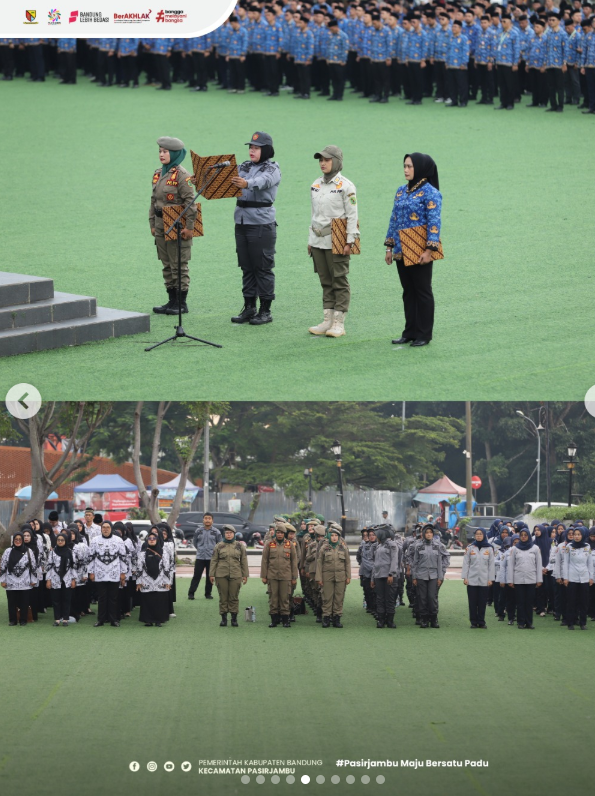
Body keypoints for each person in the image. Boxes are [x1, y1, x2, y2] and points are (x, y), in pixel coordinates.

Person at [385, 153, 442, 347]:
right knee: (408, 291)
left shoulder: (430, 193)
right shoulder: (401, 191)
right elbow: (394, 219)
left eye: (410, 166)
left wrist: (429, 250)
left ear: (421, 168)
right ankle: (409, 331)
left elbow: (435, 222)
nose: (406, 170)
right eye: (404, 166)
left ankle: (424, 334)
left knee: (423, 291)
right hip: (401, 249)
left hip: (420, 250)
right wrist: (389, 246)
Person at [230, 131, 282, 326]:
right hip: (242, 221)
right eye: (251, 147)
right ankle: (249, 307)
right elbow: (226, 178)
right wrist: (202, 180)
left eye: (256, 148)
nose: (252, 150)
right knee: (246, 266)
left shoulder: (273, 168)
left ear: (266, 150)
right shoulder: (244, 166)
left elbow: (263, 182)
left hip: (261, 223)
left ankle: (265, 310)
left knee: (263, 267)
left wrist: (246, 183)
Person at [307, 145, 359, 338]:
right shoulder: (315, 185)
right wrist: (310, 240)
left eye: (327, 160)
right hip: (318, 240)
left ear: (336, 162)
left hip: (337, 239)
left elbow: (352, 216)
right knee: (325, 280)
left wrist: (350, 241)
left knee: (339, 280)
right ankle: (327, 319)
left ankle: (339, 322)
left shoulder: (346, 186)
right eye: (321, 160)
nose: (323, 163)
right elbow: (313, 215)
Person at [150, 136, 197, 316]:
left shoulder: (183, 176)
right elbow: (153, 201)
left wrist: (189, 228)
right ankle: (171, 301)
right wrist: (153, 223)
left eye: (165, 151)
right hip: (162, 225)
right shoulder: (158, 174)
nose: (161, 154)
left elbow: (190, 204)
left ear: (175, 153)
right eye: (160, 151)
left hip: (178, 226)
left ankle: (181, 303)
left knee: (179, 264)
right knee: (167, 264)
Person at [88, 521, 127, 627]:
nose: (105, 529)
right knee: (101, 598)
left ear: (111, 528)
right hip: (99, 573)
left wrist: (123, 573)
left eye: (107, 527)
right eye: (103, 527)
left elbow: (123, 558)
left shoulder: (118, 540)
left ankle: (113, 620)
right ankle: (101, 620)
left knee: (113, 598)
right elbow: (90, 558)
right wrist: (91, 572)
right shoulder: (95, 540)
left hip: (114, 573)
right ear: (101, 529)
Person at [209, 524, 249, 626]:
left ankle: (234, 618)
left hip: (236, 574)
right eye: (227, 533)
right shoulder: (219, 546)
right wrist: (211, 574)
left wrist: (245, 575)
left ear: (234, 534)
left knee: (234, 597)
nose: (229, 535)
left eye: (230, 533)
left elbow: (244, 561)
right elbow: (214, 560)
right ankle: (224, 619)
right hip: (221, 574)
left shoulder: (240, 546)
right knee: (223, 597)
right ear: (224, 534)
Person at [260, 521, 298, 627]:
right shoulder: (269, 544)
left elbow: (294, 562)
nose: (279, 534)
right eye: (278, 532)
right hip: (272, 576)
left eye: (281, 533)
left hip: (286, 576)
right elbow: (265, 561)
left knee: (285, 598)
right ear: (275, 533)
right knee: (273, 598)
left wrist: (294, 577)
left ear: (284, 534)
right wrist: (264, 576)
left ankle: (285, 620)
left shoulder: (290, 545)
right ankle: (274, 620)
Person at [507, 527, 543, 629]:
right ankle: (521, 622)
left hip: (531, 578)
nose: (523, 537)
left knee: (529, 602)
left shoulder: (535, 548)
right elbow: (511, 565)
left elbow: (539, 564)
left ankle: (529, 622)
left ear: (528, 536)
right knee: (520, 602)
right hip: (518, 579)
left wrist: (539, 579)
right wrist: (510, 580)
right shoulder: (514, 549)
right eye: (521, 535)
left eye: (525, 535)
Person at [0, 530, 37, 626]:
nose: (18, 541)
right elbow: (3, 566)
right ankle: (13, 620)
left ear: (23, 540)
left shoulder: (29, 551)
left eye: (20, 539)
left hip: (25, 581)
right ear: (13, 540)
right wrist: (2, 580)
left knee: (24, 602)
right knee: (11, 602)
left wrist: (33, 580)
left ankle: (23, 620)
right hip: (10, 581)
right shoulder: (8, 551)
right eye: (16, 539)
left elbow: (33, 566)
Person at [315, 528, 351, 627]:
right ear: (329, 537)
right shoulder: (324, 548)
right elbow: (319, 563)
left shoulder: (343, 548)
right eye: (332, 536)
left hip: (340, 576)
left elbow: (347, 563)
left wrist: (348, 576)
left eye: (336, 536)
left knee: (339, 598)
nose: (334, 538)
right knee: (327, 597)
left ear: (339, 537)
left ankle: (337, 619)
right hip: (327, 576)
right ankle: (326, 618)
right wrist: (319, 578)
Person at [411, 524, 444, 628]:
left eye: (430, 533)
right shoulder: (418, 546)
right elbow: (415, 562)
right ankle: (424, 619)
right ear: (423, 534)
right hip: (421, 575)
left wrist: (440, 577)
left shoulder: (437, 545)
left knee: (432, 597)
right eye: (427, 533)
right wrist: (414, 577)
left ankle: (434, 619)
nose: (429, 534)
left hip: (434, 576)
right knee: (422, 598)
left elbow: (439, 563)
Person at [136, 529, 171, 627]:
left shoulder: (164, 553)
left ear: (157, 539)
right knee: (147, 600)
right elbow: (139, 569)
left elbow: (167, 568)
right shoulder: (142, 554)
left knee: (159, 600)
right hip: (146, 580)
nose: (151, 540)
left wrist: (168, 581)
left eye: (154, 538)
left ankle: (159, 620)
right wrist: (138, 582)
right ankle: (148, 620)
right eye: (149, 538)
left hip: (160, 580)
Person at [462, 528, 495, 629]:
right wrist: (465, 577)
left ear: (484, 535)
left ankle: (481, 621)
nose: (479, 536)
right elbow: (466, 563)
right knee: (472, 602)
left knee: (482, 602)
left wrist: (490, 579)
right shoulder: (470, 548)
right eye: (477, 534)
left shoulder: (489, 548)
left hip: (484, 580)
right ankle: (473, 622)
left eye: (481, 534)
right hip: (471, 580)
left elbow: (491, 565)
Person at [563, 527, 593, 630]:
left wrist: (591, 577)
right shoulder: (569, 546)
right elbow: (565, 563)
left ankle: (583, 623)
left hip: (584, 577)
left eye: (579, 534)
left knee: (584, 602)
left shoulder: (587, 546)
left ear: (583, 535)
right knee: (571, 601)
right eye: (575, 534)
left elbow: (589, 563)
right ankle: (570, 622)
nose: (576, 536)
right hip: (572, 577)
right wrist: (565, 578)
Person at [370, 525, 400, 628]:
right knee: (380, 599)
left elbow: (394, 560)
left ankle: (390, 621)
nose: (376, 537)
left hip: (389, 576)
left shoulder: (392, 545)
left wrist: (391, 574)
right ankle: (381, 620)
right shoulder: (378, 546)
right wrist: (373, 578)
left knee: (390, 599)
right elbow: (375, 564)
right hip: (379, 576)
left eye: (377, 535)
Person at [188, 512, 222, 600]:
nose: (207, 520)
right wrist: (200, 549)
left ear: (212, 520)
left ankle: (208, 594)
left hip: (211, 558)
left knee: (209, 576)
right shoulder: (198, 531)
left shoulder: (216, 532)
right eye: (206, 518)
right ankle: (191, 593)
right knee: (196, 576)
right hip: (200, 557)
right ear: (203, 520)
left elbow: (220, 544)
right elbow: (195, 543)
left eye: (209, 518)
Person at [45, 532, 77, 627]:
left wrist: (73, 579)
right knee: (56, 600)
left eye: (62, 540)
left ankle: (65, 619)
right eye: (58, 540)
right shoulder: (52, 552)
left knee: (66, 599)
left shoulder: (70, 552)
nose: (60, 542)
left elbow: (73, 567)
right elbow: (49, 567)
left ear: (66, 541)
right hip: (55, 578)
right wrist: (48, 580)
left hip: (67, 578)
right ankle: (57, 619)